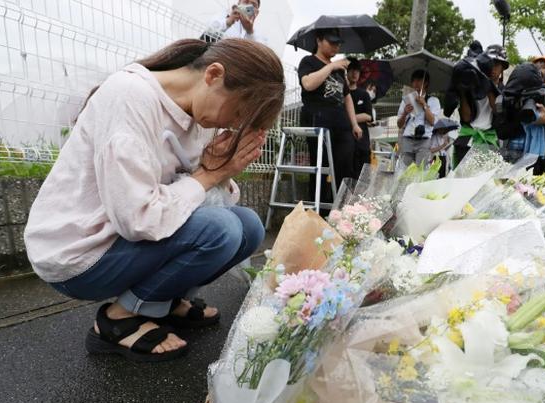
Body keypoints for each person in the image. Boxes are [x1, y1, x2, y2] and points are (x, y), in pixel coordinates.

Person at [23, 38, 285, 362]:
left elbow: (202, 196)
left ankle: (163, 301)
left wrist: (220, 171)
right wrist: (207, 175)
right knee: (223, 229)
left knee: (248, 227)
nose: (230, 125)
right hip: (78, 254)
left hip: (121, 239)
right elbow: (138, 218)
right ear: (214, 75)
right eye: (238, 113)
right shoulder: (130, 96)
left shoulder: (198, 113)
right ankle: (118, 320)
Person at [298, 28, 363, 201]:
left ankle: (342, 209)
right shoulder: (308, 61)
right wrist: (331, 66)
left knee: (345, 166)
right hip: (318, 119)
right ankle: (317, 209)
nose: (336, 47)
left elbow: (347, 96)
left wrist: (354, 124)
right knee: (320, 166)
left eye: (338, 43)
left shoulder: (340, 71)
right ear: (319, 41)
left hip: (341, 122)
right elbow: (308, 84)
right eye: (331, 42)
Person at [496, 62, 545, 174]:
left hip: (541, 161)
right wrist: (518, 113)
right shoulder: (510, 96)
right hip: (510, 157)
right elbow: (501, 132)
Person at [451, 44, 509, 167]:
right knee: (462, 181)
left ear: (502, 68)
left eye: (497, 65)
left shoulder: (505, 92)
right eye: (491, 63)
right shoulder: (471, 85)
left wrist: (489, 88)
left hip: (489, 141)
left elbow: (498, 113)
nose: (493, 68)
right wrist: (462, 91)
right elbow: (466, 118)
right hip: (467, 140)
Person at [396, 70, 441, 167]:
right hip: (407, 139)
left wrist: (424, 104)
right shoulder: (406, 100)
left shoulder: (433, 101)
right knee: (405, 171)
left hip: (424, 141)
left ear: (426, 83)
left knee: (421, 172)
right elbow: (399, 124)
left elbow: (433, 121)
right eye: (414, 81)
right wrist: (405, 113)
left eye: (419, 81)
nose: (416, 83)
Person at [346, 58, 373, 178]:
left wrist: (348, 118)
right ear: (345, 72)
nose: (354, 73)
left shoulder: (364, 94)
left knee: (363, 178)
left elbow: (368, 116)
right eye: (351, 70)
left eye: (357, 70)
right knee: (347, 176)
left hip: (362, 142)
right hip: (346, 142)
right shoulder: (341, 93)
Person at [203, 0, 269, 45]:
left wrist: (250, 32)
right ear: (238, 4)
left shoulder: (260, 35)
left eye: (253, 5)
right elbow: (206, 35)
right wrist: (227, 23)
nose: (249, 6)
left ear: (257, 12)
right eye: (246, 1)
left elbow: (261, 54)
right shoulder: (222, 17)